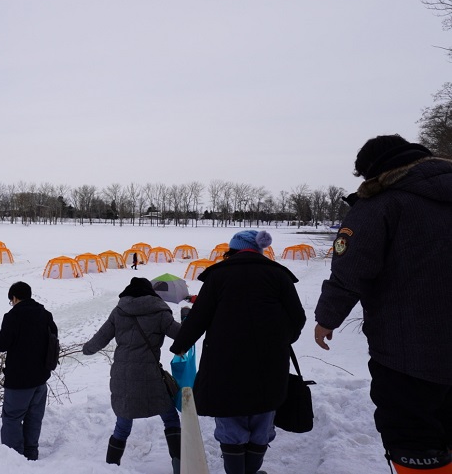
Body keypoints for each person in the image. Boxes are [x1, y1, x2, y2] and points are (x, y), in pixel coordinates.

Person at [313, 134, 452, 473]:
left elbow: (351, 270)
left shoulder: (382, 204)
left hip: (411, 354)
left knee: (414, 437)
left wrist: (327, 318)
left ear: (373, 172)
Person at [170, 230, 306, 474]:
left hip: (224, 365)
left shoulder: (218, 276)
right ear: (260, 249)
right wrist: (279, 341)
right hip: (270, 364)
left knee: (230, 422)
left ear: (232, 250)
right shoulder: (278, 275)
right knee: (262, 421)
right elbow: (297, 318)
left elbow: (197, 318)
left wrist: (180, 346)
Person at [83, 277, 182, 473]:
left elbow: (100, 339)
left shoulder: (119, 311)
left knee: (122, 424)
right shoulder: (160, 312)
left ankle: (111, 468)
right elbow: (181, 334)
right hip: (151, 375)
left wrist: (86, 349)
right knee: (170, 418)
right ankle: (179, 465)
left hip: (123, 376)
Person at [0, 281, 57, 460]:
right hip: (41, 378)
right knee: (34, 417)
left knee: (12, 419)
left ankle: (13, 459)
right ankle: (31, 453)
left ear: (14, 298)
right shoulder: (45, 314)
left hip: (19, 381)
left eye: (11, 300)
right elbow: (53, 338)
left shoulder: (12, 316)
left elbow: (2, 344)